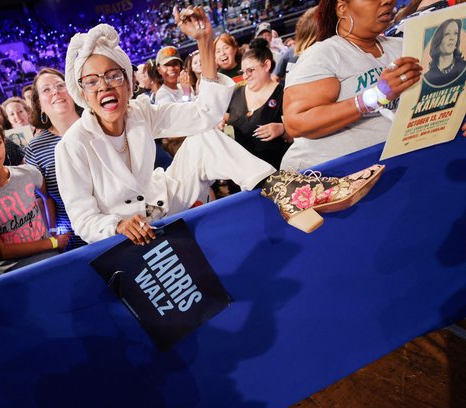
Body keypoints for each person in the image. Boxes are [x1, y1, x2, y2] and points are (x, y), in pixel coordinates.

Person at [56, 7, 386, 243]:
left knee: (203, 139)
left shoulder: (141, 112)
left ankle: (289, 190)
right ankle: (294, 191)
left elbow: (205, 116)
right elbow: (84, 220)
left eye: (114, 76)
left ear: (129, 85)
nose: (104, 86)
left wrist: (205, 39)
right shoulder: (72, 146)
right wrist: (116, 226)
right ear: (82, 93)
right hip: (123, 236)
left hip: (163, 200)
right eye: (92, 81)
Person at [281, 0, 423, 171]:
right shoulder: (324, 54)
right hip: (338, 178)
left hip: (403, 164)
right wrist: (376, 97)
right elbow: (296, 122)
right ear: (342, 8)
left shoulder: (404, 46)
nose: (387, 1)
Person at [0, 111, 70, 272]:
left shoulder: (28, 173)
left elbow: (46, 198)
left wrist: (51, 230)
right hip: (15, 272)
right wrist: (53, 242)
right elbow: (1, 251)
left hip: (52, 258)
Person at [25, 68, 86, 250]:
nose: (56, 92)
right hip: (73, 235)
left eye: (61, 85)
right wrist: (52, 233)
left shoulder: (98, 125)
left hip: (119, 222)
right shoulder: (36, 147)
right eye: (46, 89)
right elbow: (41, 199)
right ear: (39, 104)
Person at [223, 39, 291, 170]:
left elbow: (300, 135)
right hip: (242, 173)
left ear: (266, 65)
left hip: (277, 171)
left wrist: (283, 129)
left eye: (250, 70)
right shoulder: (236, 93)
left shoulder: (284, 94)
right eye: (242, 72)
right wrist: (220, 122)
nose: (245, 76)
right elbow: (227, 117)